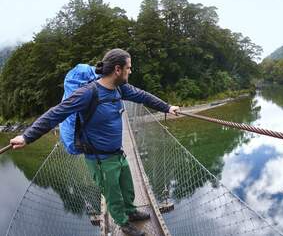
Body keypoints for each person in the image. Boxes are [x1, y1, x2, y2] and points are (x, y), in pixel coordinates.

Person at [9, 48, 180, 236]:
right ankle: (124, 224)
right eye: (128, 68)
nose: (130, 71)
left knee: (127, 185)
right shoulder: (88, 93)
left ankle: (131, 212)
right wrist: (27, 136)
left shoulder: (119, 88)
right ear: (117, 69)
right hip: (100, 159)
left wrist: (167, 107)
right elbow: (56, 113)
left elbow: (143, 96)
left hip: (117, 152)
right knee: (113, 194)